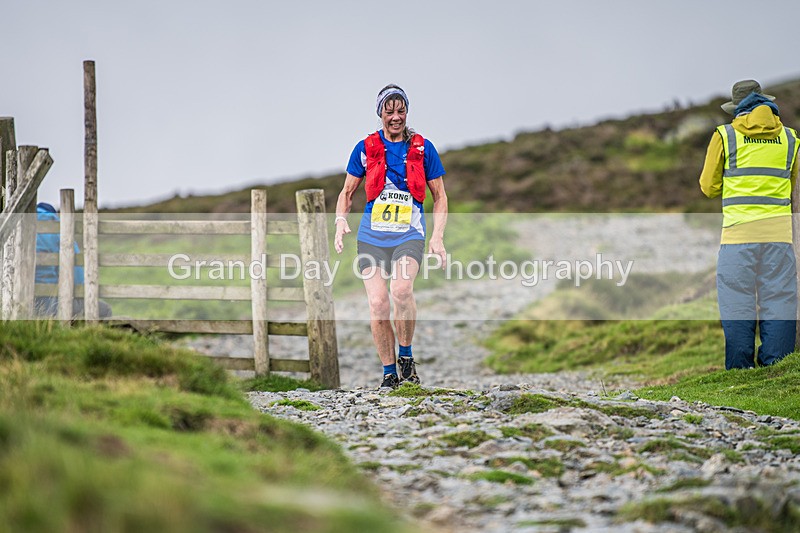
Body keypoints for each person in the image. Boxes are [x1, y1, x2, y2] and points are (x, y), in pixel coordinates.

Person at [334, 84, 448, 389]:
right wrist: (340, 222)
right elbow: (347, 192)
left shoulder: (424, 149)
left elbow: (440, 196)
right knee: (378, 303)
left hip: (409, 234)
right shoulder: (365, 148)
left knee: (400, 291)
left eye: (401, 110)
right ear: (380, 113)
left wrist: (437, 237)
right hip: (371, 237)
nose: (396, 117)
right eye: (389, 111)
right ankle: (389, 373)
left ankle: (406, 356)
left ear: (406, 112)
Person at [699, 80, 800, 369]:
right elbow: (792, 185)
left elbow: (708, 186)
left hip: (737, 237)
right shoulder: (791, 139)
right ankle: (777, 368)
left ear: (737, 109)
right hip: (780, 238)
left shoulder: (725, 135)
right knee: (779, 299)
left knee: (737, 302)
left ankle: (740, 371)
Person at [34, 202, 112, 319]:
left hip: (18, 301)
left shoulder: (17, 224)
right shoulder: (58, 227)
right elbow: (77, 275)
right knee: (104, 309)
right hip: (53, 306)